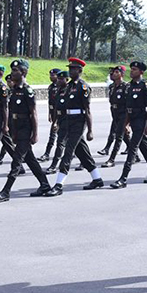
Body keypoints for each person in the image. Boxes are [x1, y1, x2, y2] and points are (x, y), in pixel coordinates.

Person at [0, 59, 51, 201]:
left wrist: (35, 134)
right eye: (12, 70)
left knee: (16, 161)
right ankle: (44, 184)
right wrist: (11, 130)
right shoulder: (14, 90)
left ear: (23, 72)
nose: (12, 73)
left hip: (26, 129)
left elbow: (33, 113)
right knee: (30, 159)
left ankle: (6, 192)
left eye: (15, 71)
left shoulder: (27, 91)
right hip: (17, 129)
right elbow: (11, 112)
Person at [44, 57, 104, 196]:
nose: (70, 70)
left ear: (80, 70)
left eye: (73, 68)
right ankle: (97, 179)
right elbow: (63, 108)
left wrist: (90, 130)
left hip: (79, 121)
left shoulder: (83, 87)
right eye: (69, 68)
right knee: (82, 152)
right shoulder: (68, 86)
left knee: (68, 151)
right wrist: (57, 123)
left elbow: (87, 109)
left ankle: (59, 185)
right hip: (68, 121)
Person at [110, 61, 147, 188]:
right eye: (131, 69)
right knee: (144, 146)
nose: (132, 71)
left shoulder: (145, 85)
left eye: (135, 69)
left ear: (141, 72)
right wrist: (126, 124)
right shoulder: (129, 86)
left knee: (132, 148)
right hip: (132, 118)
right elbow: (128, 107)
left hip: (141, 119)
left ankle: (123, 178)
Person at [99, 65, 130, 167]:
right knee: (124, 136)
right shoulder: (112, 87)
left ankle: (112, 159)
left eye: (117, 72)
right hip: (115, 114)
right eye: (113, 72)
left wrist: (127, 123)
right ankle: (135, 155)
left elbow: (128, 105)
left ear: (122, 74)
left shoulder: (126, 86)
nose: (114, 74)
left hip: (123, 114)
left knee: (119, 137)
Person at [44, 70, 70, 174]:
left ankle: (54, 165)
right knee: (64, 142)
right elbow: (55, 108)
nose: (58, 80)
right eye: (58, 78)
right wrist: (55, 121)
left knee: (61, 142)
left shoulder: (70, 90)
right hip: (60, 119)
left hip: (70, 120)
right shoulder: (58, 90)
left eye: (61, 79)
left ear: (66, 80)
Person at [38, 68, 61, 162]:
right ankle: (47, 154)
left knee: (59, 136)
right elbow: (50, 102)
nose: (51, 77)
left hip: (60, 115)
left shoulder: (62, 87)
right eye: (50, 75)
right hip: (54, 114)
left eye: (53, 75)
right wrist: (49, 114)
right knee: (54, 135)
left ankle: (48, 154)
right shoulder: (51, 87)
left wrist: (56, 120)